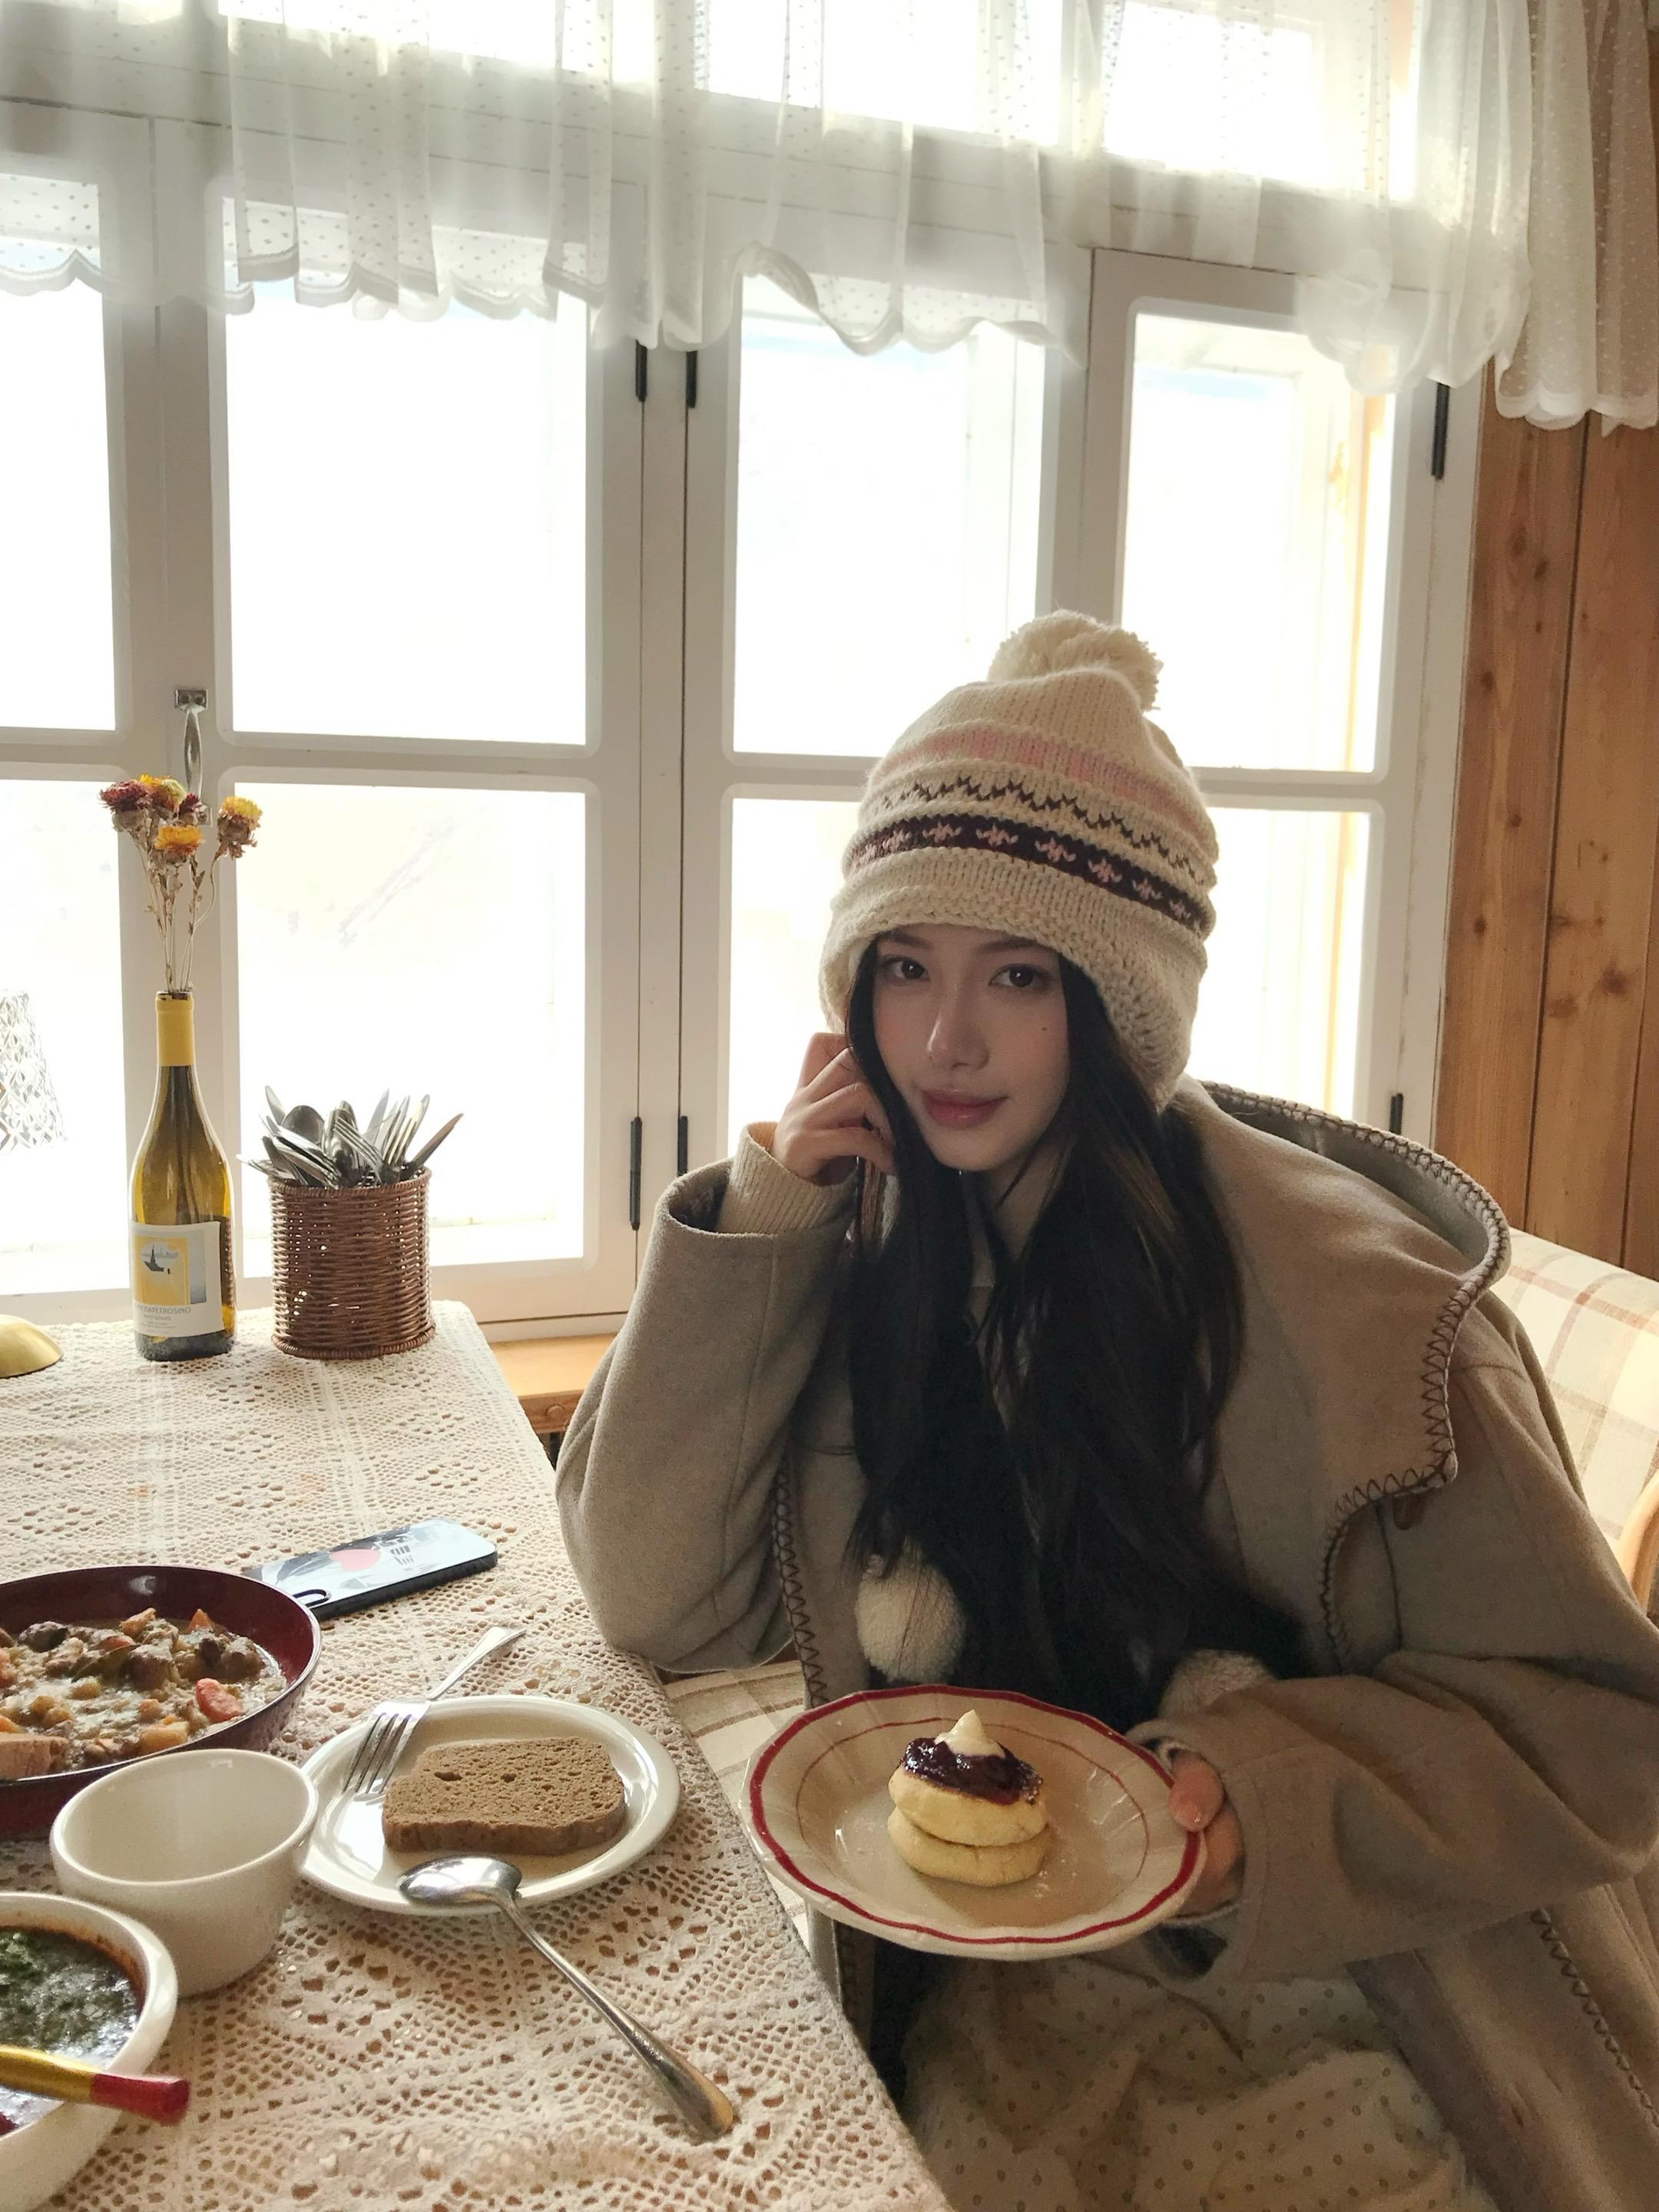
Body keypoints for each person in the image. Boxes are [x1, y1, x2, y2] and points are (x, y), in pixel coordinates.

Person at [558, 612, 1659, 2212]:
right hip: (1006, 1996)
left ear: (1121, 996)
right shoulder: (869, 1241)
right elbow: (650, 1596)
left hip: (1357, 2001)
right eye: (905, 968)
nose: (946, 1040)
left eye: (1018, 975)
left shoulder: (1375, 1319)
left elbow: (1606, 1732)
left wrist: (1258, 1804)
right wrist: (764, 1218)